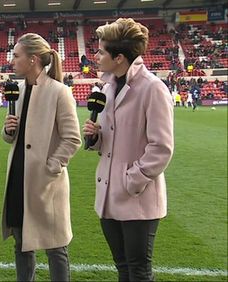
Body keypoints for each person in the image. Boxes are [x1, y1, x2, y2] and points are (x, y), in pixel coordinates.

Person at [83, 18, 174, 281]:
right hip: (109, 195)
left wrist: (131, 180)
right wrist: (95, 138)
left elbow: (162, 148)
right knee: (123, 267)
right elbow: (111, 140)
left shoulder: (153, 88)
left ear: (119, 57)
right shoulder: (109, 87)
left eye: (101, 51)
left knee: (138, 270)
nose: (96, 56)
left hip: (137, 196)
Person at [1, 33, 82, 281]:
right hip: (18, 176)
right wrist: (7, 129)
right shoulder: (18, 90)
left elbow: (72, 138)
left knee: (56, 247)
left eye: (16, 56)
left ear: (33, 59)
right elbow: (10, 137)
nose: (11, 60)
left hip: (46, 181)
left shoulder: (59, 92)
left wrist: (52, 166)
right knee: (21, 242)